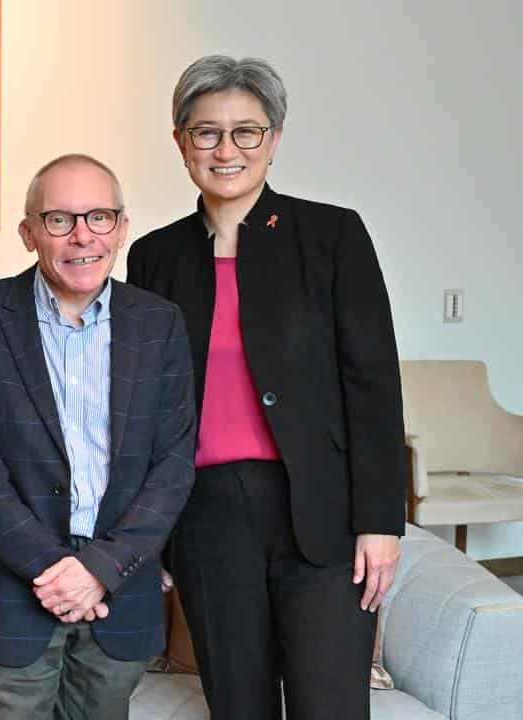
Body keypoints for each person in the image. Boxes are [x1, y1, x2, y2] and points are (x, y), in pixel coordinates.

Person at [126, 55, 406, 720]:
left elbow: (372, 383)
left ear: (275, 139)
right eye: (206, 132)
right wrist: (150, 533)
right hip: (208, 518)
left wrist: (380, 522)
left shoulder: (332, 235)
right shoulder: (154, 257)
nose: (227, 150)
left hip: (321, 512)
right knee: (237, 706)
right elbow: (144, 407)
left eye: (246, 131)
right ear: (180, 142)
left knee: (330, 705)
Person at [0, 154, 196, 719]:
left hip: (120, 592)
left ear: (122, 228)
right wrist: (57, 572)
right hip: (13, 591)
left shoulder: (161, 323)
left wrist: (99, 570)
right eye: (59, 219)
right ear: (29, 232)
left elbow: (174, 464)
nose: (83, 236)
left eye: (99, 217)